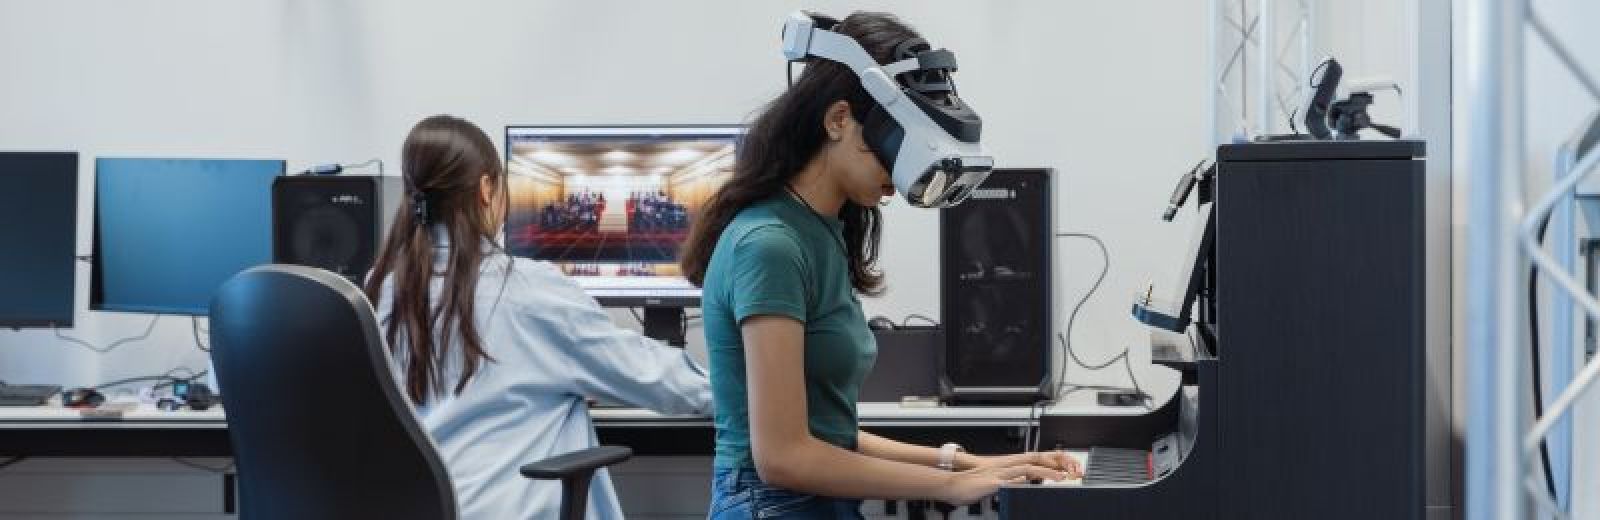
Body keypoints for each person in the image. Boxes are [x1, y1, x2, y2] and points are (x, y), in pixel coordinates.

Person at [680, 12, 1081, 520]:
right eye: (891, 154)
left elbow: (832, 437)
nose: (898, 176)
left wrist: (972, 464)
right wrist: (949, 487)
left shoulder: (820, 231)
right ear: (838, 119)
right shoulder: (769, 245)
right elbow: (782, 457)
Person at [364, 115, 712, 519]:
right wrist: (751, 395)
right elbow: (656, 378)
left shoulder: (378, 289)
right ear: (486, 189)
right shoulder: (528, 290)